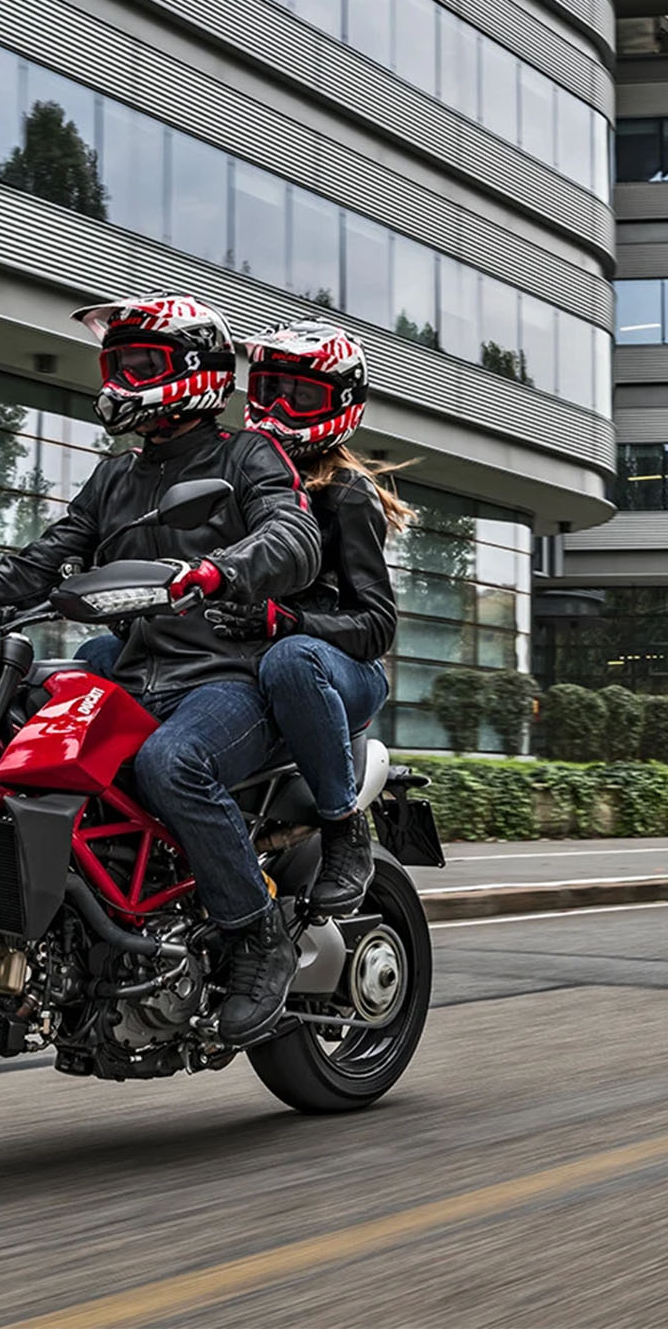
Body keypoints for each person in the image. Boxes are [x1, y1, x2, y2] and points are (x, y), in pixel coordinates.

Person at [0, 294, 320, 1041]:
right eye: (115, 365)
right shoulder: (114, 477)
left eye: (138, 365)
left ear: (193, 372)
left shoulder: (247, 455)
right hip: (137, 677)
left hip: (228, 682)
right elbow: (47, 558)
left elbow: (295, 538)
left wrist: (219, 571)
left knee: (173, 763)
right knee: (16, 733)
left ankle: (257, 936)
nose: (120, 380)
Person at [206, 321, 410, 916]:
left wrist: (287, 622)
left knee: (289, 661)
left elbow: (377, 627)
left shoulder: (345, 494)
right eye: (267, 389)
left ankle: (344, 828)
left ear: (341, 405)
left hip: (336, 669)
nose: (276, 409)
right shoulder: (235, 478)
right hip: (253, 660)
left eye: (299, 396)